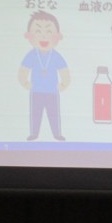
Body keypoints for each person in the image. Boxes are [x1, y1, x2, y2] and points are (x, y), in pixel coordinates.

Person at [18, 10, 71, 141]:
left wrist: (64, 84)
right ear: (28, 35)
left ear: (58, 36)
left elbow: (64, 71)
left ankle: (57, 134)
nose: (43, 36)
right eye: (38, 31)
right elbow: (23, 70)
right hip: (36, 91)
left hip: (52, 92)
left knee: (54, 114)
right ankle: (34, 133)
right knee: (35, 113)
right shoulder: (31, 55)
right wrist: (25, 82)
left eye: (48, 32)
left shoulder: (56, 56)